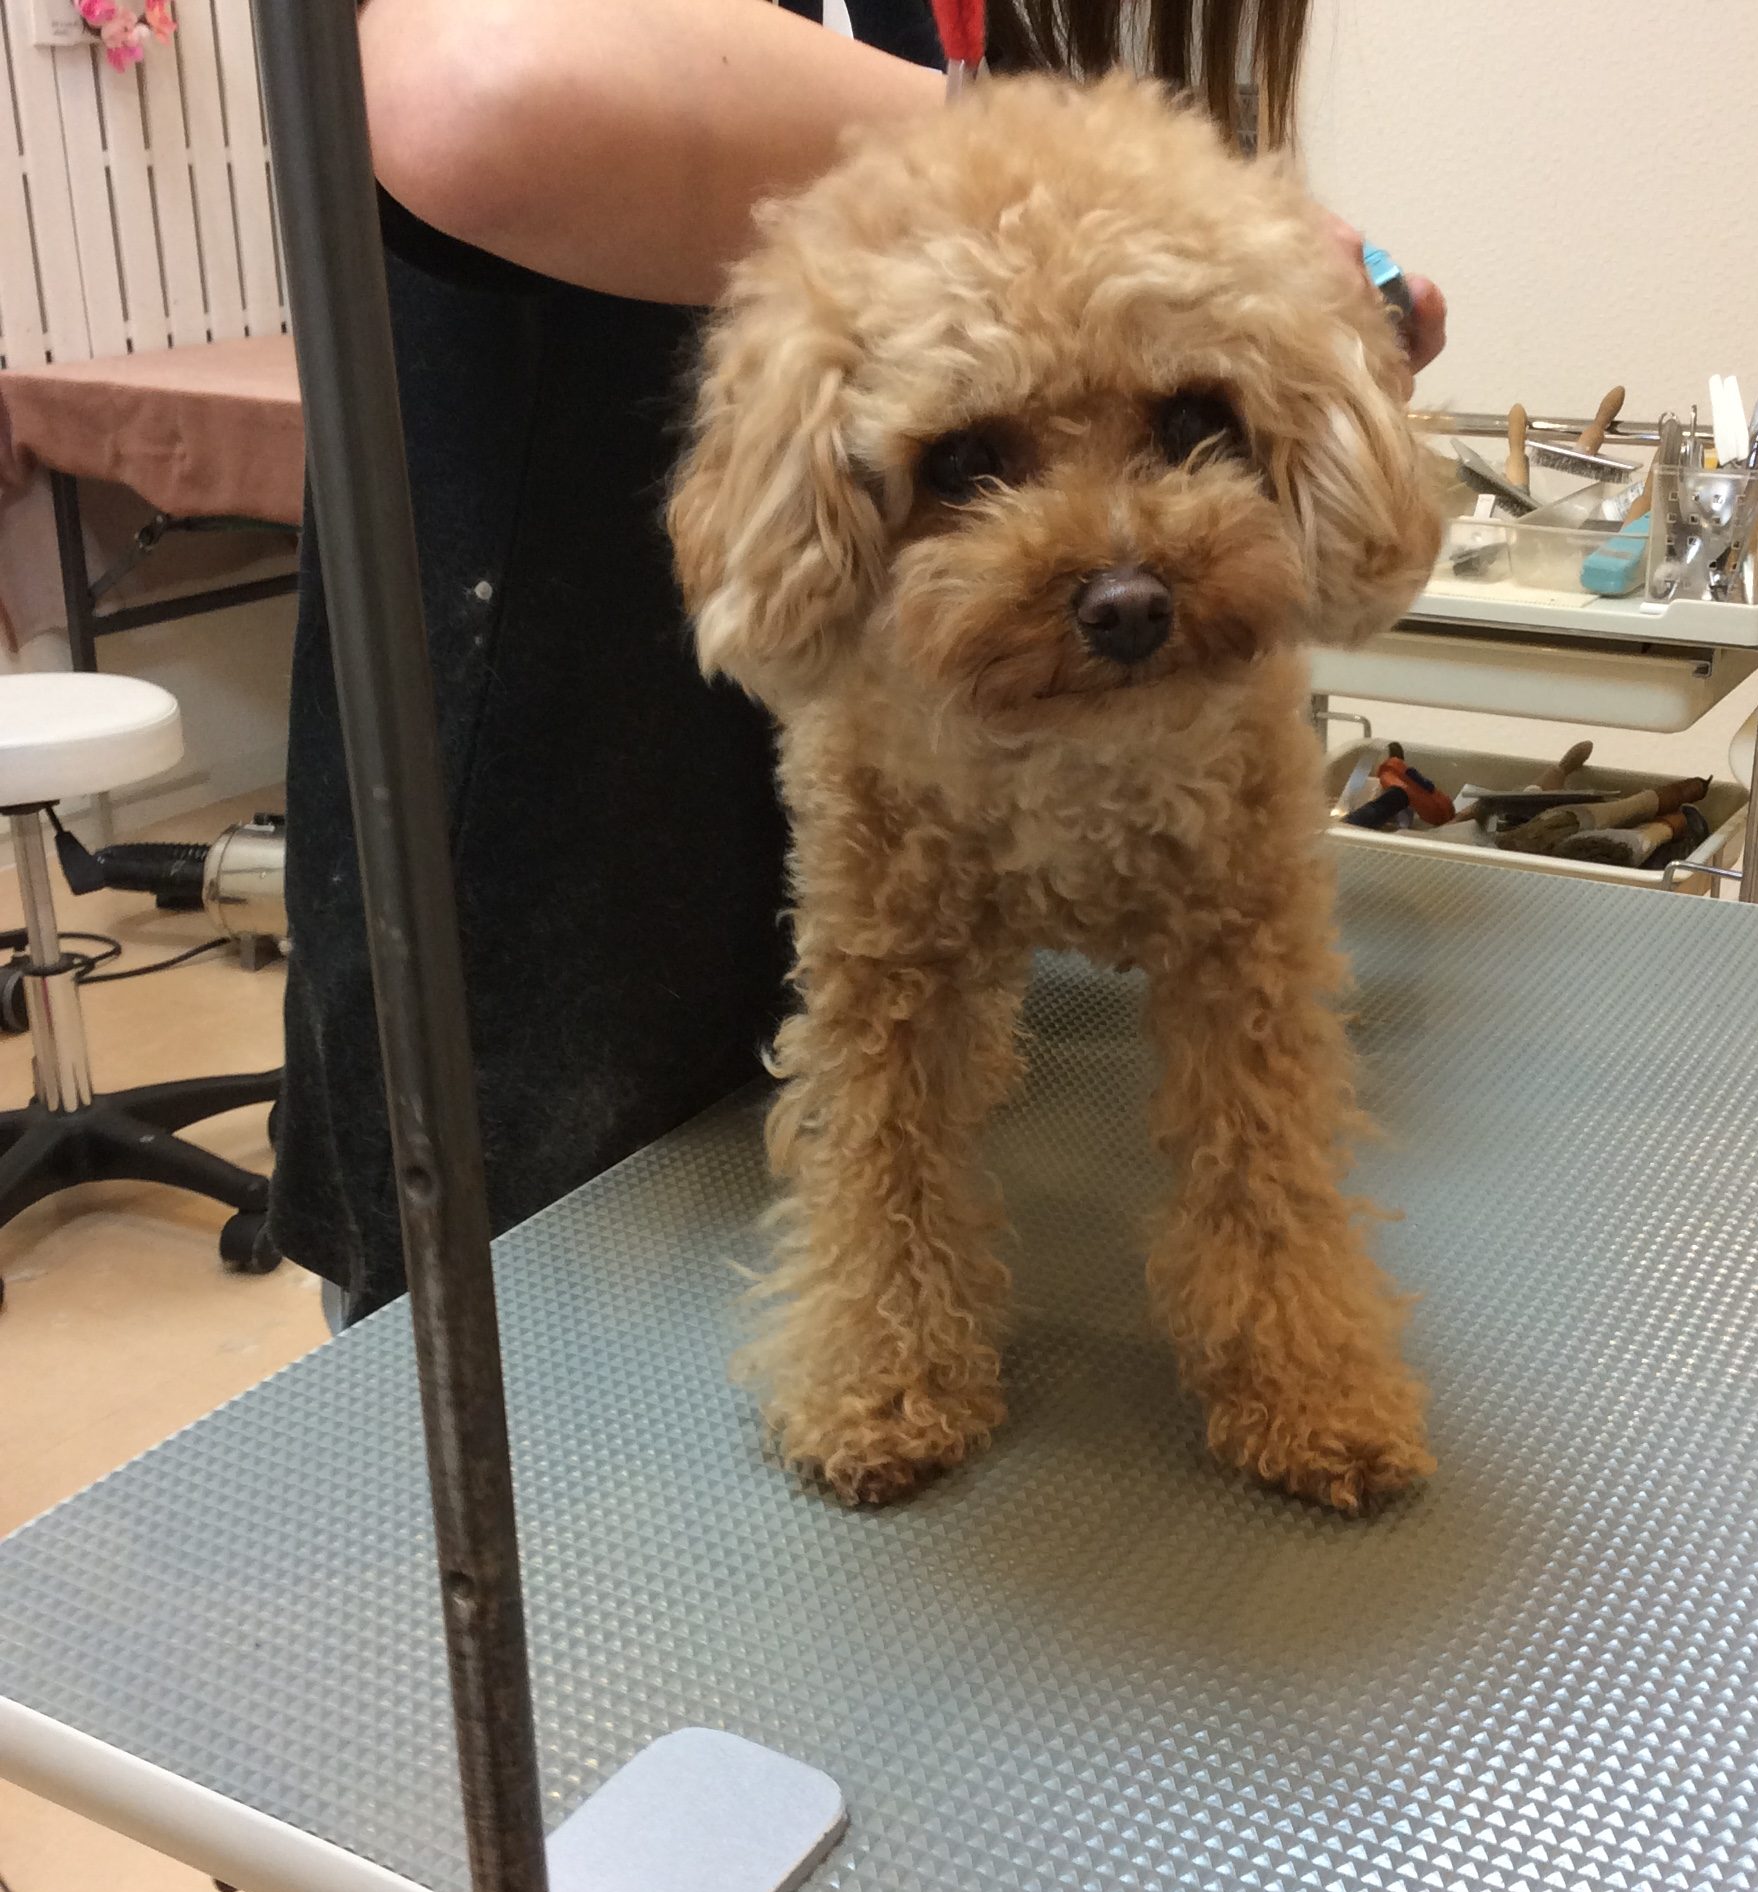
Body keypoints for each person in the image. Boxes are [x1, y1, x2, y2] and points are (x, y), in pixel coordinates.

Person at [272, 0, 1447, 1327]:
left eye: (1187, 426)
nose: (1124, 573)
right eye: (973, 460)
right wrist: (1069, 165)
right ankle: (887, 1330)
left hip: (1018, 763)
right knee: (536, 1320)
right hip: (538, 813)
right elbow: (477, 79)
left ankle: (1276, 1324)